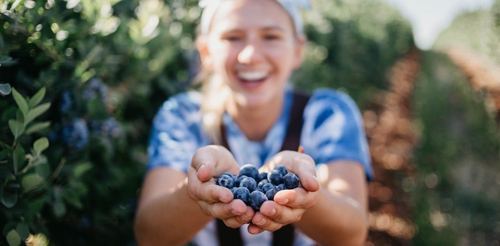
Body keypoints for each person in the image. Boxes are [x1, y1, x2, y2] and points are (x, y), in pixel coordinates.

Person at [134, 0, 374, 245]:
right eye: (232, 37)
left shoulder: (328, 114)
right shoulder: (183, 116)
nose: (250, 55)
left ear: (297, 50)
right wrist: (199, 193)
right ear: (206, 52)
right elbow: (150, 236)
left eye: (270, 36)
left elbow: (352, 234)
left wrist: (304, 197)